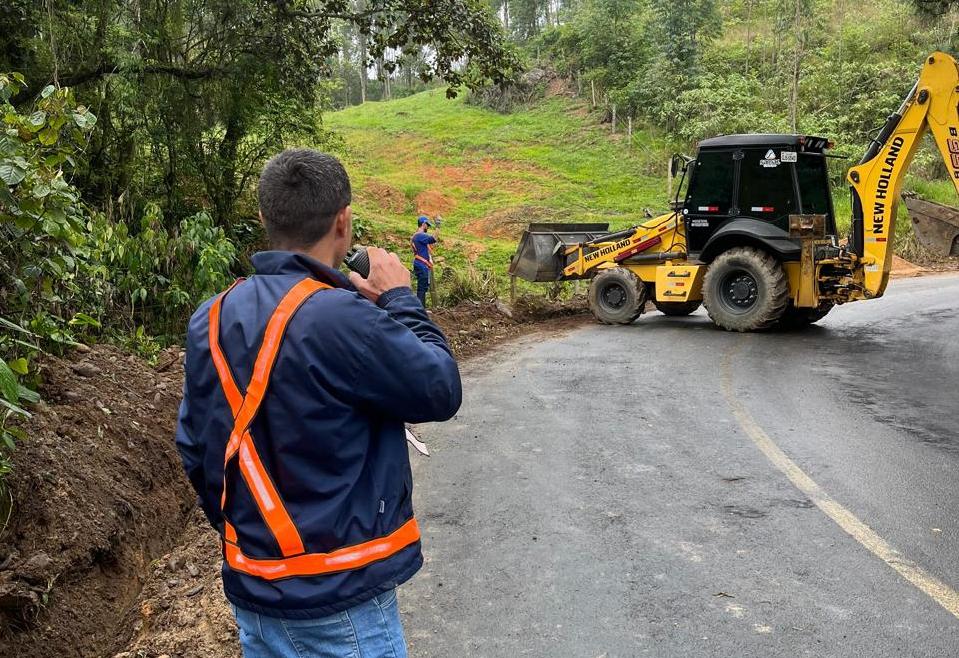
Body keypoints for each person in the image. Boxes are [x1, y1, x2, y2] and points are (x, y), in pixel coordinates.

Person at [175, 149, 462, 658]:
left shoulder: (210, 318)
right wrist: (399, 298)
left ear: (265, 219)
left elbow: (196, 450)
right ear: (343, 221)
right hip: (339, 604)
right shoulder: (342, 318)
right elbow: (438, 387)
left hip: (255, 597)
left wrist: (253, 541)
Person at [410, 215, 438, 307]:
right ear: (423, 224)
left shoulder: (416, 236)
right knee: (422, 288)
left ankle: (421, 308)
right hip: (422, 265)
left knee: (422, 287)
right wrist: (438, 227)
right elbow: (433, 239)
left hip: (420, 263)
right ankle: (421, 309)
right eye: (427, 225)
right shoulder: (420, 235)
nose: (428, 227)